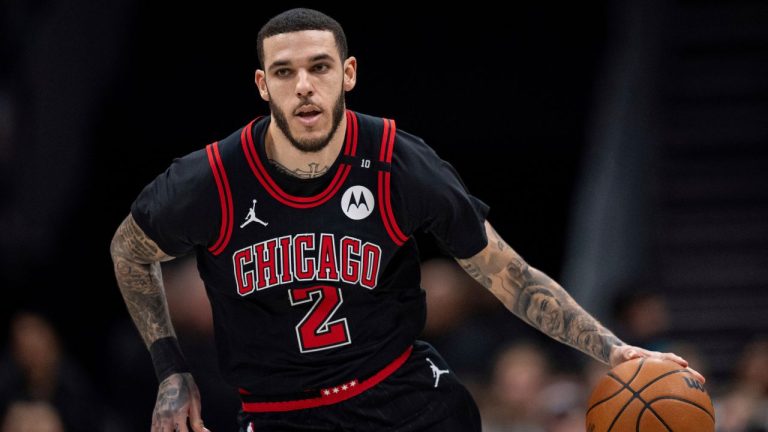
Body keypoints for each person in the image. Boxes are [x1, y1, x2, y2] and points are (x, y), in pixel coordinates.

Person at [109, 8, 705, 432]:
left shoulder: (399, 162)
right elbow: (129, 250)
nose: (305, 87)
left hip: (406, 403)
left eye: (320, 67)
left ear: (349, 74)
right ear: (263, 86)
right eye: (285, 72)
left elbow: (508, 274)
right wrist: (170, 371)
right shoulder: (210, 178)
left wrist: (613, 349)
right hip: (280, 412)